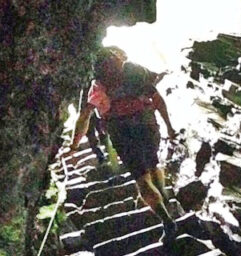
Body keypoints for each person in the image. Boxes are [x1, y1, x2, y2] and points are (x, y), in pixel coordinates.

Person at [70, 47, 177, 245]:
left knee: (142, 179)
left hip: (122, 130)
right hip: (147, 123)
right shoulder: (134, 71)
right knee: (153, 164)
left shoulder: (99, 86)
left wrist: (74, 145)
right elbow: (157, 99)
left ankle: (167, 221)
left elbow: (85, 116)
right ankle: (164, 197)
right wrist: (170, 127)